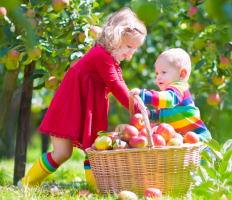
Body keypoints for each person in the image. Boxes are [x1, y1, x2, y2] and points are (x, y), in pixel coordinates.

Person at [18, 7, 147, 189]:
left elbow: (121, 85)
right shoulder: (101, 55)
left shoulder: (109, 58)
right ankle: (26, 184)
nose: (130, 54)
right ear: (116, 37)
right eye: (129, 47)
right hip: (71, 106)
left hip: (87, 107)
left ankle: (95, 189)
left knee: (93, 150)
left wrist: (139, 108)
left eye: (134, 49)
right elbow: (116, 87)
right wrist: (140, 110)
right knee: (63, 153)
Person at [129, 48, 212, 148]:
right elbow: (164, 113)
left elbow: (167, 100)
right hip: (183, 143)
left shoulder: (179, 89)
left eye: (163, 72)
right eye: (157, 73)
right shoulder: (169, 95)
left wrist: (144, 95)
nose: (158, 77)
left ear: (181, 74)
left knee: (202, 164)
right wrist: (150, 115)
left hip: (200, 141)